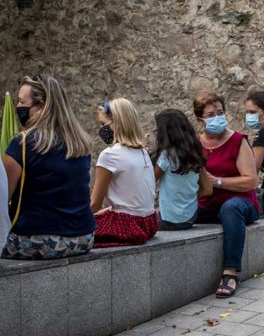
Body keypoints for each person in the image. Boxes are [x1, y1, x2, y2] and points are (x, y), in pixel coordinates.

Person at [2, 75, 96, 259]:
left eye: (22, 102)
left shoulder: (22, 143)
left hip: (36, 241)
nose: (18, 107)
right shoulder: (81, 144)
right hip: (84, 238)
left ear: (42, 106)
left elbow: (3, 196)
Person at [193, 91, 259, 298]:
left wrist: (218, 182)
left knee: (230, 209)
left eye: (220, 112)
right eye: (211, 115)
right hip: (207, 204)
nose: (217, 118)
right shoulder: (195, 144)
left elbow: (251, 181)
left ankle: (230, 273)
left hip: (241, 203)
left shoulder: (238, 141)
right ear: (200, 120)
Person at [90, 98, 158, 247]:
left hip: (126, 227)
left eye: (103, 124)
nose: (101, 130)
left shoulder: (110, 154)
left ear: (116, 123)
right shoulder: (143, 152)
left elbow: (94, 204)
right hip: (149, 224)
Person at [153, 109, 213, 230]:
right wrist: (187, 198)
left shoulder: (166, 156)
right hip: (190, 218)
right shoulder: (196, 155)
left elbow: (149, 182)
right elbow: (207, 190)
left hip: (167, 219)